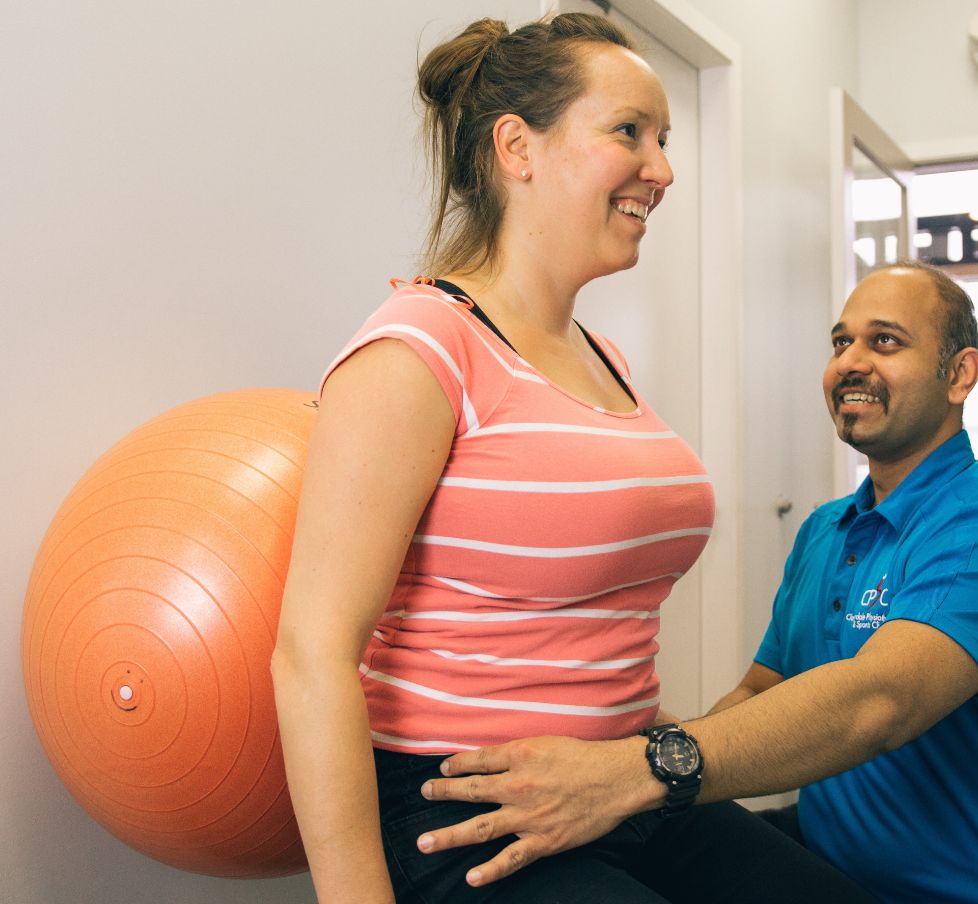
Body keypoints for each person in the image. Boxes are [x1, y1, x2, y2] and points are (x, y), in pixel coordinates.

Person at [271, 12, 874, 904]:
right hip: (471, 808)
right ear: (518, 147)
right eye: (628, 132)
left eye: (663, 138)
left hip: (619, 782)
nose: (662, 168)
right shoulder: (419, 348)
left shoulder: (603, 357)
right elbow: (310, 649)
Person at [419, 261, 978, 903]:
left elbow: (879, 702)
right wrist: (619, 743)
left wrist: (644, 769)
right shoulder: (828, 530)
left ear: (959, 375)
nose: (851, 361)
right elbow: (766, 688)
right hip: (823, 866)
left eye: (885, 341)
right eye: (840, 342)